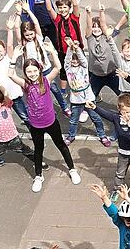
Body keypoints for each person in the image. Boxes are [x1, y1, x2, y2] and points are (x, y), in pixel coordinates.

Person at [8, 45, 81, 192]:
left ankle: (72, 169)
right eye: (29, 71)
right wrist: (14, 58)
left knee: (61, 145)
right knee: (38, 149)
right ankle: (38, 176)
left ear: (39, 70)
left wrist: (52, 52)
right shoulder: (26, 84)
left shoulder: (46, 80)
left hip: (51, 122)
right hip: (36, 125)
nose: (32, 74)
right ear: (25, 73)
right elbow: (10, 74)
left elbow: (58, 67)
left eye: (35, 71)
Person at [0, 74, 47, 184]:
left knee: (26, 151)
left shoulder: (7, 106)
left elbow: (5, 94)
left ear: (2, 103)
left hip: (13, 138)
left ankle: (38, 161)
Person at [63, 39, 112, 145]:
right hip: (75, 100)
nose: (75, 61)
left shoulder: (84, 67)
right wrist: (70, 49)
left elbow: (83, 59)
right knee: (73, 120)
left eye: (77, 60)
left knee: (96, 118)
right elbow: (67, 60)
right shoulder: (68, 69)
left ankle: (102, 135)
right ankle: (71, 136)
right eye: (73, 60)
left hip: (88, 98)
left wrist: (77, 49)